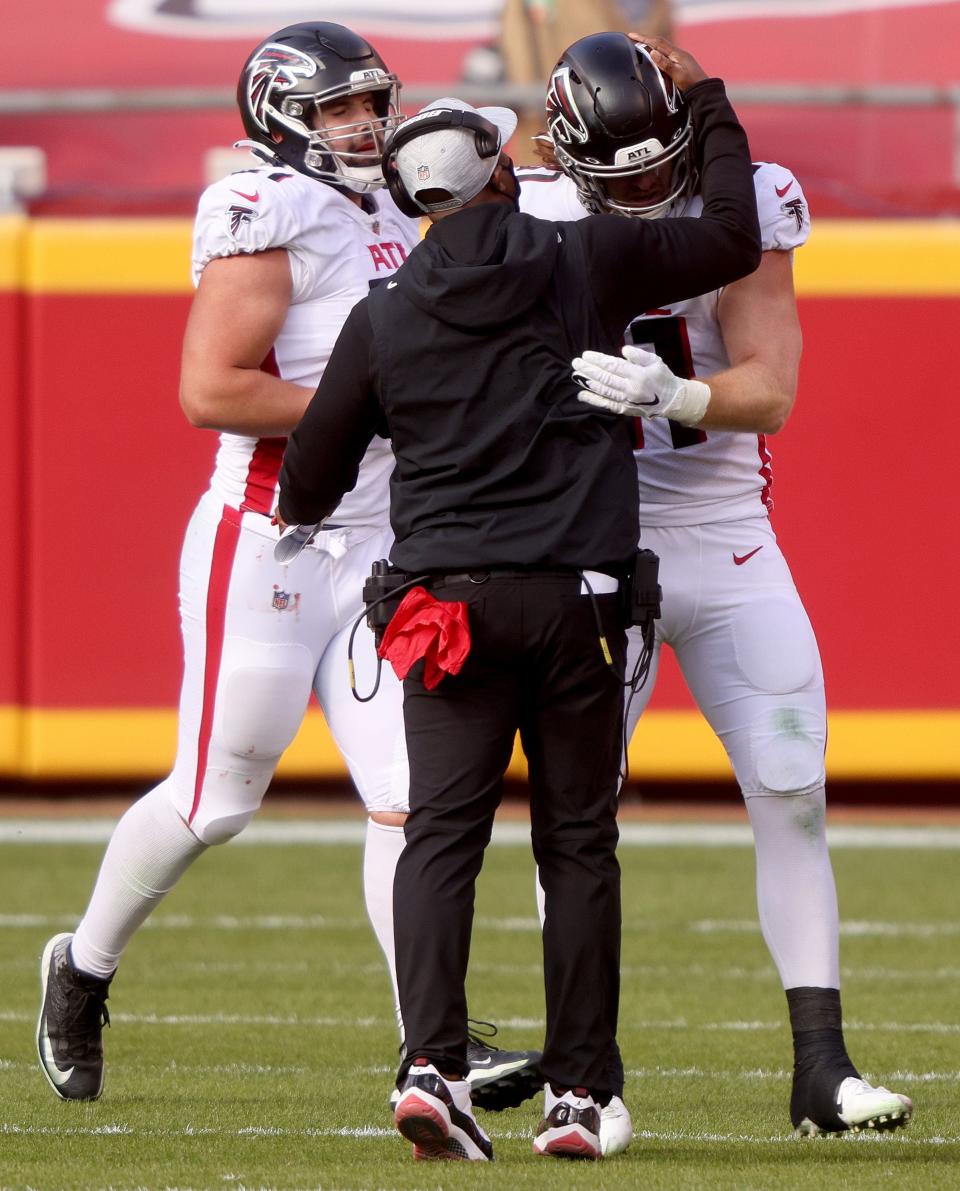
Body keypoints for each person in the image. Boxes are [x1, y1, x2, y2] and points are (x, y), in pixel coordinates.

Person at [35, 20, 540, 1114]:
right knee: (217, 801)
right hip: (271, 542)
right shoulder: (267, 208)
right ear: (280, 119)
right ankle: (83, 968)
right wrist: (385, 407)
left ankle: (432, 1046)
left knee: (414, 802)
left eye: (371, 102)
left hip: (386, 550)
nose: (364, 125)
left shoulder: (409, 195)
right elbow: (213, 389)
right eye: (337, 110)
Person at [276, 38, 760, 1161]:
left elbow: (310, 472)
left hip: (445, 605)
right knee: (577, 845)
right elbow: (733, 235)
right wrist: (714, 105)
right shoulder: (581, 257)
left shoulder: (382, 314)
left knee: (440, 839)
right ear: (500, 171)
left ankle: (431, 1067)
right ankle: (580, 1094)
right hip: (580, 602)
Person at [517, 30, 914, 1153]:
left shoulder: (750, 197)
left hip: (731, 541)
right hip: (595, 545)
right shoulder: (536, 205)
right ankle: (582, 1079)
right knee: (577, 824)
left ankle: (822, 1071)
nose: (651, 188)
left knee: (792, 791)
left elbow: (771, 388)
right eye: (625, 173)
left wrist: (678, 398)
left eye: (663, 162)